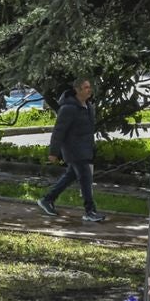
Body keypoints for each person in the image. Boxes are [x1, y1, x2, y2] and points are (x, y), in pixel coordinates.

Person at [40, 78, 106, 222]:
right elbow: (59, 131)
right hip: (74, 150)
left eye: (90, 87)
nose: (89, 89)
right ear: (78, 90)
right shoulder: (68, 108)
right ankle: (90, 211)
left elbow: (88, 131)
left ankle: (47, 199)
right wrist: (53, 152)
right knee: (86, 178)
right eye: (86, 87)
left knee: (70, 176)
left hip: (85, 148)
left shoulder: (88, 107)